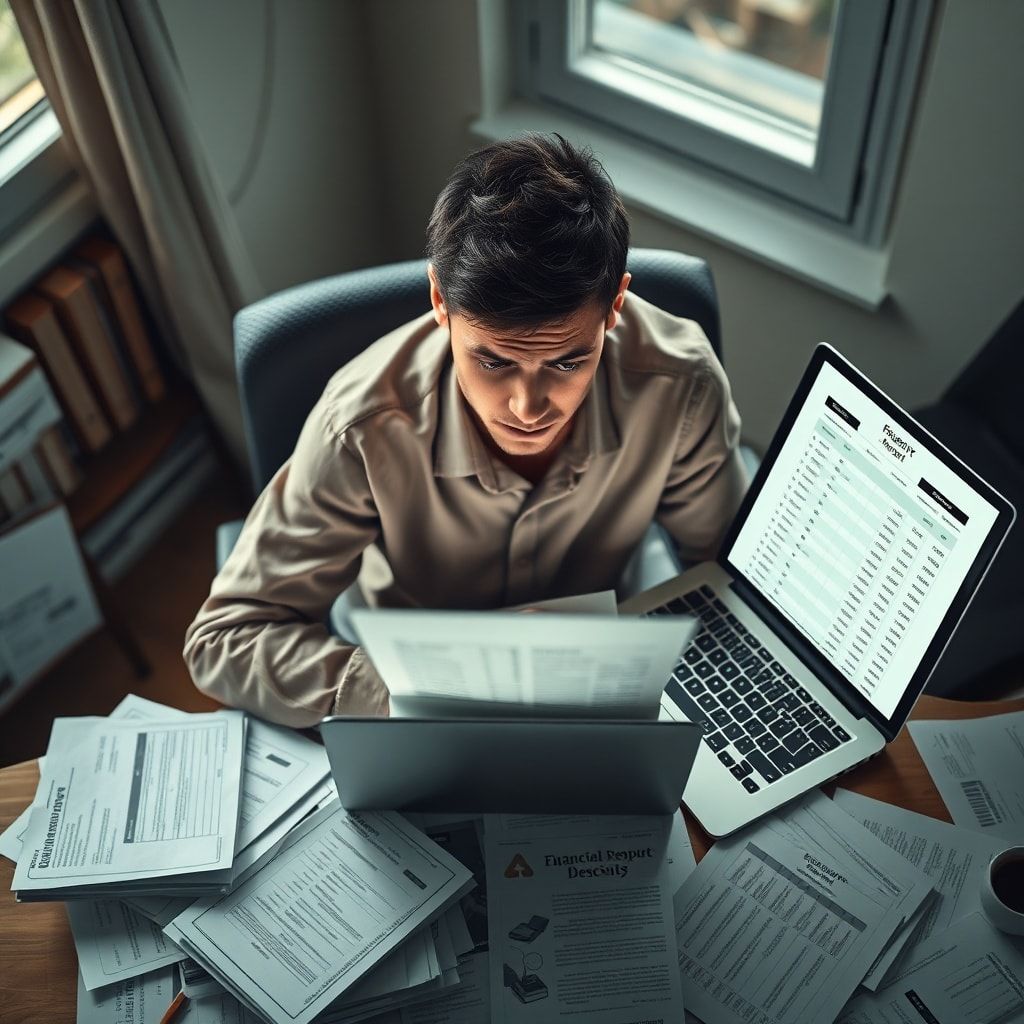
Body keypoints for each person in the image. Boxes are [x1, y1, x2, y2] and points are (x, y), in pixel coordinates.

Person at [184, 133, 749, 727]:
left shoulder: (681, 384)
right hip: (412, 692)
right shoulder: (362, 424)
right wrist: (414, 689)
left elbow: (724, 578)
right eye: (494, 362)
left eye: (567, 362)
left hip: (601, 677)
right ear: (439, 302)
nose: (529, 408)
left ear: (615, 307)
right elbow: (224, 638)